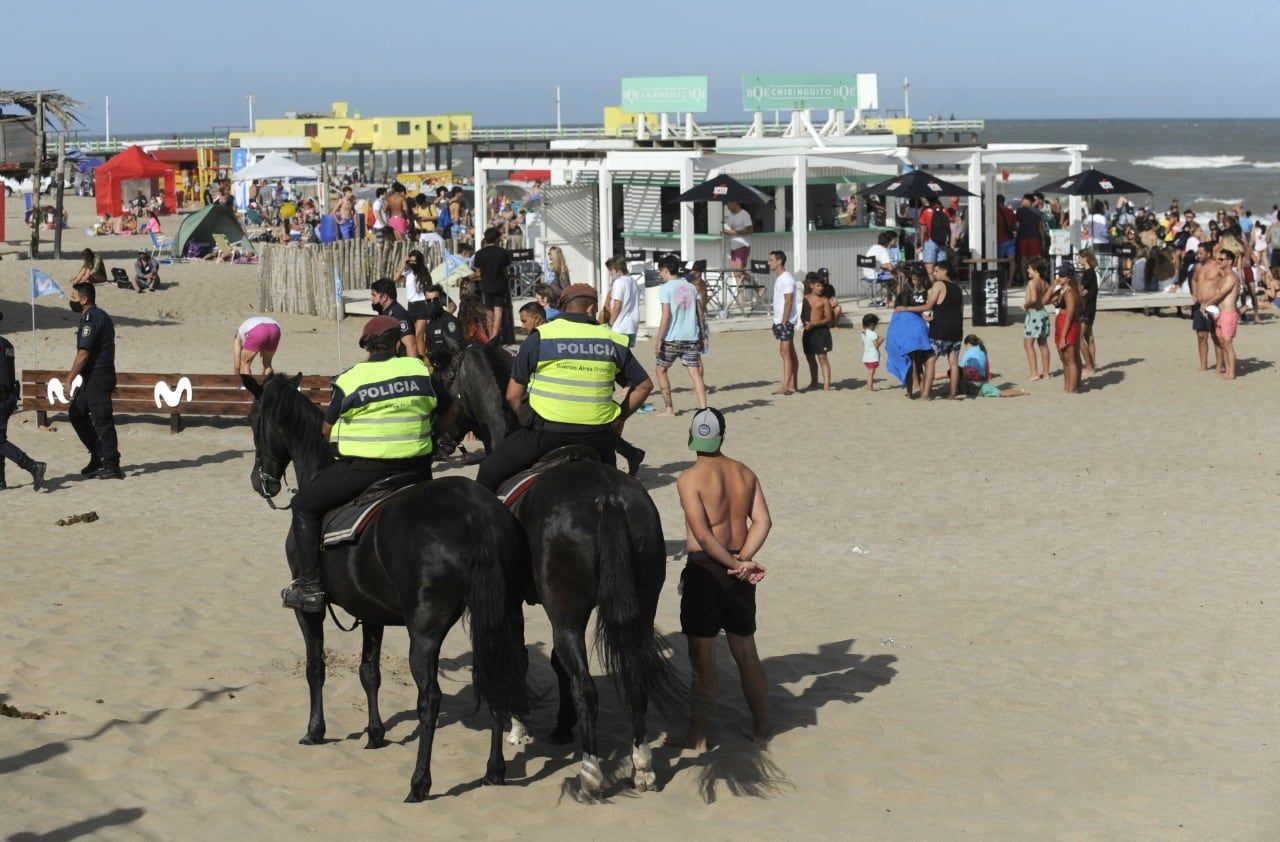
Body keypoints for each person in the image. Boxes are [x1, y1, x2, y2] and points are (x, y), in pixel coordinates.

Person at [281, 315, 450, 612]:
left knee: (303, 506)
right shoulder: (420, 370)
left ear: (366, 347)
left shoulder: (350, 378)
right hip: (417, 469)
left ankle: (309, 587)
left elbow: (326, 429)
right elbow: (448, 409)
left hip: (364, 470)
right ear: (398, 344)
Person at [474, 284, 653, 491]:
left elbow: (513, 396)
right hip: (598, 435)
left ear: (562, 307)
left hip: (546, 432)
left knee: (488, 470)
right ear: (590, 308)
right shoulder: (612, 340)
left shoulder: (540, 337)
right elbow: (644, 386)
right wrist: (620, 417)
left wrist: (530, 421)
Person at [676, 407, 772, 752]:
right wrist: (743, 561)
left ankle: (698, 737)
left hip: (707, 569)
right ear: (723, 436)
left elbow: (702, 534)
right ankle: (761, 726)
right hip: (739, 570)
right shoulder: (745, 473)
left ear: (692, 437)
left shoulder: (688, 479)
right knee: (746, 653)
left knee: (703, 659)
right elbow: (763, 522)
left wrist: (731, 562)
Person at [66, 282, 123, 479]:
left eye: (73, 297)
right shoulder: (90, 317)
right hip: (90, 378)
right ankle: (98, 454)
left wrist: (69, 380)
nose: (71, 301)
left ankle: (112, 464)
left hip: (99, 376)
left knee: (102, 419)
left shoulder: (94, 318)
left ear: (84, 299)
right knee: (76, 413)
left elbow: (83, 353)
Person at [898, 262, 964, 400]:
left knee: (930, 361)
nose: (934, 274)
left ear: (944, 271)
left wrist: (906, 308)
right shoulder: (958, 288)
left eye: (936, 271)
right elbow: (959, 311)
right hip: (956, 330)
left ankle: (926, 394)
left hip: (940, 330)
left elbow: (928, 305)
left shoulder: (939, 285)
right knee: (954, 363)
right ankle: (953, 394)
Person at [653, 255, 708, 416]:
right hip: (691, 336)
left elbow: (666, 316)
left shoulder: (665, 288)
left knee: (660, 370)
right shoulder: (690, 286)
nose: (660, 275)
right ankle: (704, 409)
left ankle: (669, 408)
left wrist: (659, 340)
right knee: (695, 373)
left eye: (661, 271)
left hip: (672, 338)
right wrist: (702, 334)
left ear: (665, 270)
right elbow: (699, 312)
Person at [0, 311, 46, 491]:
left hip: (2, 398)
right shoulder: (6, 344)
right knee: (0, 438)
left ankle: (33, 466)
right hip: (9, 397)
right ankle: (1, 480)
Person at [768, 250, 801, 396]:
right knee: (789, 352)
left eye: (771, 260)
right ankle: (792, 384)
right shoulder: (780, 278)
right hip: (781, 320)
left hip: (786, 321)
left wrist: (784, 322)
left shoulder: (787, 278)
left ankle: (787, 385)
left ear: (779, 261)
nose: (769, 263)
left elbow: (788, 300)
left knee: (785, 352)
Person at [1204, 249, 1240, 379]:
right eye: (1218, 259)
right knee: (1222, 342)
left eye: (1221, 259)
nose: (1218, 261)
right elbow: (1217, 296)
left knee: (1227, 343)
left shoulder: (1231, 277)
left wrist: (1206, 304)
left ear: (1229, 261)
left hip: (1228, 314)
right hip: (1219, 314)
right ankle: (1227, 369)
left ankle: (1231, 372)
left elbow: (1221, 294)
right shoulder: (1223, 277)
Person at [1047, 263, 1083, 393]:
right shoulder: (1062, 290)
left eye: (1062, 276)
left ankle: (1072, 389)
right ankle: (1067, 387)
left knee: (1070, 358)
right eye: (1058, 275)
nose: (1059, 278)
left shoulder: (1070, 292)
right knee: (1064, 359)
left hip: (1068, 325)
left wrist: (1063, 336)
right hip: (1061, 323)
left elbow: (1070, 314)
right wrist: (1053, 285)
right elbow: (1045, 300)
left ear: (1068, 277)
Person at [473, 227, 512, 341]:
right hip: (500, 285)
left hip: (486, 285)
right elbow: (505, 270)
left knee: (489, 312)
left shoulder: (479, 254)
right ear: (497, 239)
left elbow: (478, 272)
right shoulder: (503, 253)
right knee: (498, 312)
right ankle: (495, 337)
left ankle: (490, 337)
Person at [959, 335, 1029, 398]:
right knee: (1000, 392)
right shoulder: (982, 352)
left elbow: (959, 369)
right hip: (979, 382)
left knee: (1000, 393)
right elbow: (986, 369)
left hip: (974, 384)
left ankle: (1022, 392)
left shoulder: (968, 353)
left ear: (968, 344)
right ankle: (1021, 392)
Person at [369, 278, 420, 359]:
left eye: (374, 295)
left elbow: (411, 345)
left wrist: (414, 370)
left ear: (384, 297)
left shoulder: (399, 315)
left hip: (400, 364)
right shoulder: (385, 313)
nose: (371, 298)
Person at [801, 272, 834, 391]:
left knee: (822, 358)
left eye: (822, 286)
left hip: (821, 331)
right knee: (810, 357)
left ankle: (826, 385)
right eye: (818, 285)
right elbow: (802, 315)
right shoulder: (805, 298)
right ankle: (814, 382)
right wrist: (804, 324)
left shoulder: (824, 300)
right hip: (808, 332)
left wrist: (814, 323)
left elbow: (829, 318)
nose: (821, 288)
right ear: (811, 286)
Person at [419, 284, 461, 372]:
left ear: (441, 300)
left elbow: (456, 349)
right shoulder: (429, 322)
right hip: (434, 369)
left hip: (449, 369)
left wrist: (431, 356)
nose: (432, 302)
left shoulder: (450, 321)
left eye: (435, 299)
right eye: (428, 300)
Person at [1022, 257, 1052, 381]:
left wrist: (1026, 305)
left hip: (1034, 314)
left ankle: (1034, 372)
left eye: (1029, 268)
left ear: (1035, 270)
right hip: (1043, 313)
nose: (1027, 270)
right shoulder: (1045, 283)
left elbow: (1033, 299)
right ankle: (1046, 373)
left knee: (1028, 343)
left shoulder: (1032, 282)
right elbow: (1049, 298)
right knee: (1043, 344)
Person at [600, 256, 640, 347]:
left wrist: (610, 323)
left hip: (620, 327)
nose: (610, 273)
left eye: (610, 270)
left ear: (617, 269)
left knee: (617, 357)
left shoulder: (619, 282)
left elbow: (617, 306)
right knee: (625, 356)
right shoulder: (633, 281)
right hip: (632, 326)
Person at [1077, 248, 1100, 374]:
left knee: (1079, 338)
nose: (1078, 259)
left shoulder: (1088, 273)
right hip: (1091, 307)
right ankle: (1091, 365)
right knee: (1089, 338)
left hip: (1086, 309)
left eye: (1080, 257)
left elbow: (1081, 290)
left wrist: (1079, 289)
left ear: (1085, 258)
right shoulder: (1091, 273)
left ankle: (1089, 365)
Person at [1015, 193, 1044, 284]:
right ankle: (1035, 280)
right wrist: (1043, 240)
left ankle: (1024, 280)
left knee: (1023, 259)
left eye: (1023, 200)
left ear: (1027, 200)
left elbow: (1017, 225)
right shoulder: (1037, 212)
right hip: (1034, 238)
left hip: (1022, 238)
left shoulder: (1019, 211)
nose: (1022, 201)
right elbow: (1040, 228)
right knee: (1035, 259)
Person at [861, 314, 883, 392]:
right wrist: (881, 340)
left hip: (866, 356)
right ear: (872, 324)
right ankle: (870, 388)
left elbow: (865, 343)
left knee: (870, 372)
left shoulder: (863, 333)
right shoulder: (873, 334)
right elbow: (876, 345)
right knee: (871, 372)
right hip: (872, 356)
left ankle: (869, 387)